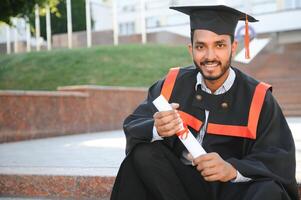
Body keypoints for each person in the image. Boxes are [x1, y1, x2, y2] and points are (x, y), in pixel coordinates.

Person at [110, 5, 299, 200]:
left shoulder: (258, 97)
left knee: (269, 190)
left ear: (233, 47)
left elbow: (278, 158)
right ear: (191, 49)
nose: (210, 56)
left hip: (234, 190)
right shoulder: (172, 85)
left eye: (219, 45)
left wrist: (232, 168)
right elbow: (134, 124)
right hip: (180, 188)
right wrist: (157, 128)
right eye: (201, 46)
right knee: (143, 154)